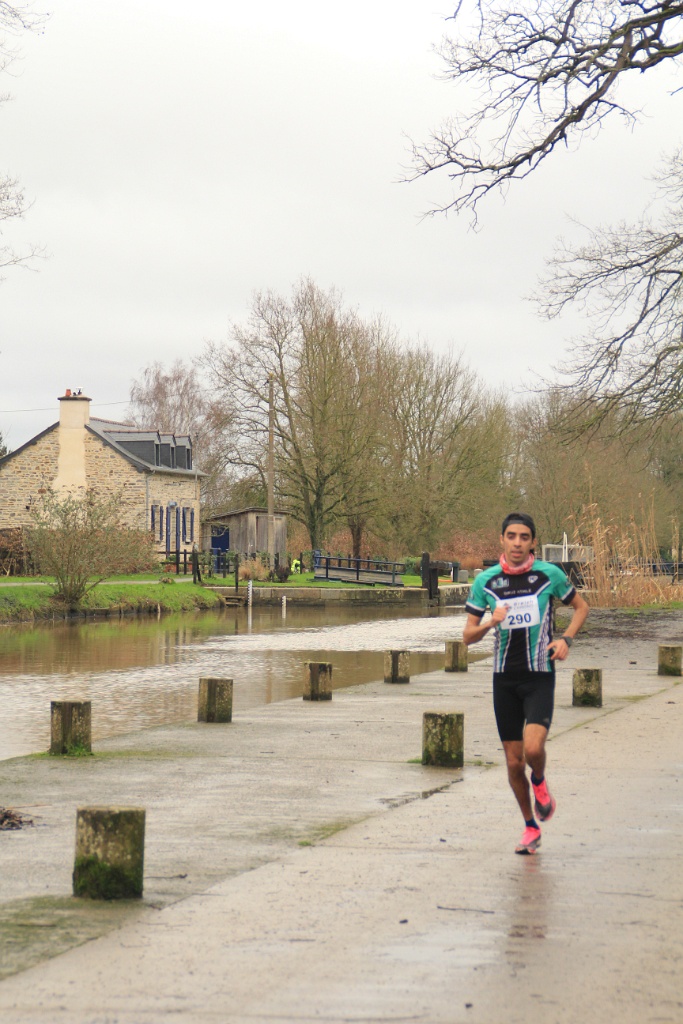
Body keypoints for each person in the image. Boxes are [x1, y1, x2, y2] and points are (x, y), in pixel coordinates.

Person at [463, 512, 589, 854]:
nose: (517, 543)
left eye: (524, 537)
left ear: (533, 542)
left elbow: (581, 608)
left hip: (539, 675)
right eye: (511, 536)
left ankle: (540, 781)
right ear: (502, 539)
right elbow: (467, 637)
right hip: (504, 679)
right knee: (513, 761)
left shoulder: (549, 575)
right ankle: (530, 826)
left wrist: (566, 639)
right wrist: (490, 622)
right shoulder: (486, 582)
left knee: (533, 751)